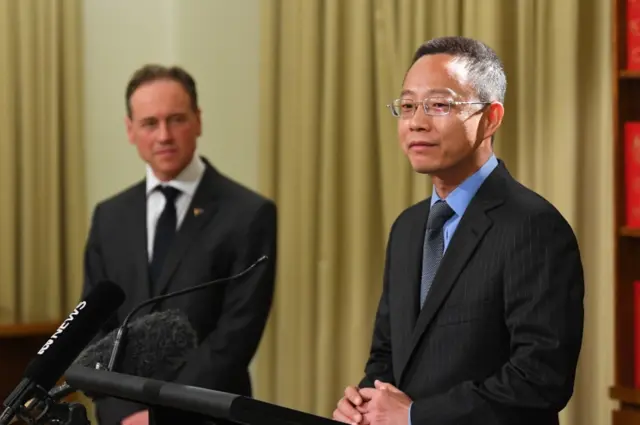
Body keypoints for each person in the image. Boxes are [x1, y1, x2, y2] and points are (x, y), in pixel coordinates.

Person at [332, 36, 584, 425]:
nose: (416, 122)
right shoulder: (408, 228)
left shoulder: (534, 226)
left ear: (490, 118)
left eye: (439, 105)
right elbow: (388, 354)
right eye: (409, 105)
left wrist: (417, 416)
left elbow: (540, 378)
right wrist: (366, 400)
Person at [81, 64, 277, 425]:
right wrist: (123, 411)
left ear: (198, 120)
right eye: (149, 123)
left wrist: (158, 416)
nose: (164, 135)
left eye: (176, 119)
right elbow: (95, 326)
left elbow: (236, 336)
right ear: (130, 130)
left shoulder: (249, 214)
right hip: (121, 418)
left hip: (206, 415)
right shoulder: (109, 217)